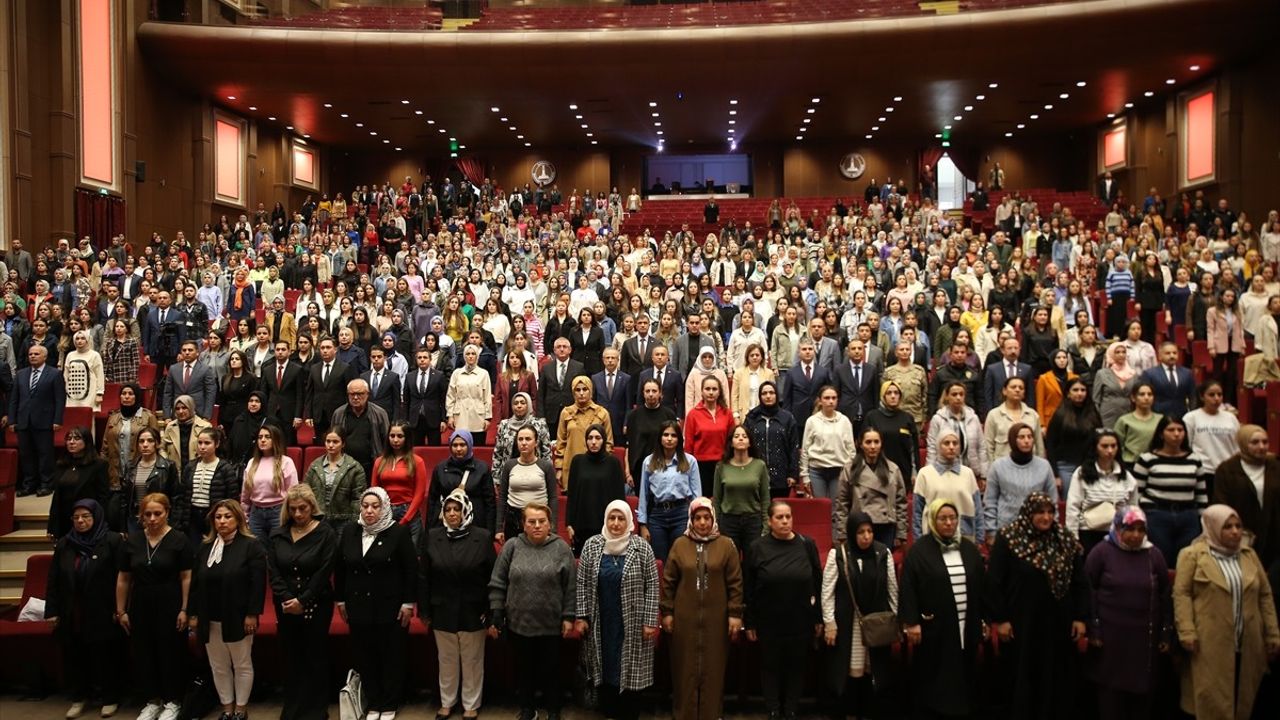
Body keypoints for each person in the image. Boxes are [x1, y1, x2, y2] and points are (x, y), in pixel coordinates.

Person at [985, 493, 1088, 719]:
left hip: (1058, 626)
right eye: (1040, 512)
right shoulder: (1009, 537)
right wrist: (1001, 619)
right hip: (1022, 626)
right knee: (1022, 679)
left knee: (1056, 679)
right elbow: (994, 582)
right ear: (1028, 513)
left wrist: (1080, 617)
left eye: (1051, 512)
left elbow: (1080, 582)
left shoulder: (1064, 539)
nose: (1046, 517)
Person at [1173, 504, 1280, 720]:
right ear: (1212, 527)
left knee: (1244, 702)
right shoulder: (1192, 555)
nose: (1235, 532)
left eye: (1238, 526)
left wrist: (1273, 634)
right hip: (1208, 643)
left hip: (1248, 643)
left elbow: (1265, 596)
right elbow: (1181, 595)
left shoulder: (1249, 556)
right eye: (1227, 527)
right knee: (1211, 702)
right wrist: (1187, 631)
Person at [899, 499, 987, 720]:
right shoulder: (919, 551)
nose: (949, 523)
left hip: (965, 623)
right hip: (933, 628)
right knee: (936, 674)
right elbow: (908, 588)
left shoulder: (969, 549)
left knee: (964, 669)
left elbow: (981, 587)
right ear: (932, 520)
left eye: (952, 518)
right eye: (943, 518)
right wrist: (911, 622)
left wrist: (983, 619)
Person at [487, 502, 577, 720]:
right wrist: (497, 611)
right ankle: (528, 709)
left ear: (550, 524)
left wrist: (568, 617)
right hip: (519, 623)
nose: (537, 526)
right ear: (523, 525)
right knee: (524, 670)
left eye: (541, 521)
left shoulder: (561, 548)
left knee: (551, 671)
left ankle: (553, 710)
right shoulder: (512, 546)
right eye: (531, 522)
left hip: (551, 624)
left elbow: (571, 587)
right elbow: (498, 581)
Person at [335, 487, 418, 719]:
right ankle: (374, 701)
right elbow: (340, 567)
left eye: (375, 506)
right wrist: (340, 599)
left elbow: (411, 570)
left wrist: (408, 603)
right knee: (365, 655)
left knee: (390, 656)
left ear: (384, 507)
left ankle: (390, 702)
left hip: (390, 607)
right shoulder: (350, 530)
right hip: (357, 605)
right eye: (365, 506)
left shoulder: (398, 532)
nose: (369, 511)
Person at [573, 500, 660, 720]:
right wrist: (582, 616)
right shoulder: (592, 545)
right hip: (601, 619)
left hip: (633, 621)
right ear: (605, 520)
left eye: (621, 518)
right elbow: (581, 583)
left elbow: (652, 585)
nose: (616, 523)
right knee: (605, 664)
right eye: (612, 518)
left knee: (631, 668)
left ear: (629, 521)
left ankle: (629, 712)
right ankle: (609, 710)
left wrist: (650, 621)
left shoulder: (642, 547)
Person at [1084, 507, 1172, 720]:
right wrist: (1093, 628)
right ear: (1117, 527)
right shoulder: (1101, 552)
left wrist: (1165, 632)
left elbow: (1165, 595)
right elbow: (1088, 590)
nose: (1136, 535)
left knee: (1140, 705)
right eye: (1130, 529)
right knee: (1111, 702)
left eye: (1141, 530)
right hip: (1110, 642)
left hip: (1143, 644)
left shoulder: (1154, 555)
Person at [661, 498, 744, 720]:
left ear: (713, 518)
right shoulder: (680, 544)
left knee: (714, 669)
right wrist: (667, 612)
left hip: (717, 618)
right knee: (684, 668)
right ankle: (683, 714)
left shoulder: (726, 545)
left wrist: (735, 614)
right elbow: (668, 581)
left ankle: (711, 714)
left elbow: (735, 583)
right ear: (691, 520)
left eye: (707, 517)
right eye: (698, 518)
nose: (703, 522)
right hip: (684, 618)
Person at [114, 493, 194, 720]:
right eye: (147, 514)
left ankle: (172, 700)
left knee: (170, 651)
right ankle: (152, 700)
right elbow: (123, 578)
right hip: (140, 601)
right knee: (144, 652)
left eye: (157, 513)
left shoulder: (179, 539)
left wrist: (185, 608)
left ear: (167, 513)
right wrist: (121, 610)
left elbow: (187, 576)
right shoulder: (133, 541)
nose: (152, 518)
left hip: (170, 600)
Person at [44, 500, 126, 720]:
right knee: (75, 656)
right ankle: (79, 698)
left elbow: (122, 577)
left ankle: (109, 698)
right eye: (76, 517)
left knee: (105, 656)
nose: (80, 521)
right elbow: (54, 580)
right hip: (73, 610)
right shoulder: (65, 544)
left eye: (86, 517)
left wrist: (120, 609)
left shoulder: (112, 541)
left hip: (103, 609)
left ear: (97, 517)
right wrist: (52, 610)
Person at [418, 488, 495, 720]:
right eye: (448, 509)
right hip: (442, 608)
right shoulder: (432, 535)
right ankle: (447, 702)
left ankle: (471, 704)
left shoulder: (481, 536)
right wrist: (424, 610)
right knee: (447, 659)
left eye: (457, 509)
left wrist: (491, 612)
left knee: (472, 660)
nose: (452, 513)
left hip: (474, 609)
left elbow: (492, 576)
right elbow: (424, 576)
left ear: (466, 511)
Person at [188, 500, 267, 720]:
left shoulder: (251, 546)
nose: (222, 521)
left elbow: (257, 584)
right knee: (218, 666)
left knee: (241, 664)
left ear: (238, 519)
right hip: (209, 617)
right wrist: (193, 613)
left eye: (227, 516)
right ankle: (227, 708)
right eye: (218, 517)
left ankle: (241, 710)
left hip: (239, 616)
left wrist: (253, 613)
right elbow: (195, 584)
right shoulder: (206, 547)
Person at [743, 500, 822, 720]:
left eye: (788, 516)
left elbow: (817, 582)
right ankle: (773, 710)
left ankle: (791, 709)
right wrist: (749, 621)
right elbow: (748, 588)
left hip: (800, 619)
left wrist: (818, 618)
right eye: (779, 517)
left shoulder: (807, 545)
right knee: (770, 667)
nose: (785, 521)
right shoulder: (756, 548)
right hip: (769, 620)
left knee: (796, 666)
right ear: (769, 521)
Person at [266, 485, 339, 720]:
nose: (298, 514)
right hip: (286, 604)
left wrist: (303, 600)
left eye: (303, 509)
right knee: (292, 656)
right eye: (293, 509)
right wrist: (288, 598)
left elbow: (324, 571)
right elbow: (273, 570)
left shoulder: (325, 533)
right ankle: (293, 707)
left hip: (316, 602)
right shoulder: (278, 534)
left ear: (312, 507)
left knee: (314, 655)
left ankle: (316, 710)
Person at [821, 511, 898, 720]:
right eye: (861, 532)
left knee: (872, 672)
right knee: (849, 672)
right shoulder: (838, 554)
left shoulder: (883, 554)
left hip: (876, 625)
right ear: (852, 533)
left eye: (870, 531)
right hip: (848, 624)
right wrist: (829, 623)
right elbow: (827, 592)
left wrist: (896, 621)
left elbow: (893, 590)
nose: (866, 536)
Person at [1132, 415, 1211, 564]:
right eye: (1171, 430)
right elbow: (1136, 494)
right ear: (1161, 434)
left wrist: (1203, 522)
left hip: (1188, 516)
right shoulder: (1147, 459)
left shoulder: (1194, 459)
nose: (1176, 434)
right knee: (1160, 559)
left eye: (1180, 430)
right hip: (1157, 515)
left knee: (1187, 560)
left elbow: (1201, 495)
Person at [1213, 424, 1280, 568]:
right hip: (1240, 534)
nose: (1261, 447)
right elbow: (1220, 504)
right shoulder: (1227, 469)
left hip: (1273, 534)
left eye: (1265, 442)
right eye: (1255, 442)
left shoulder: (1275, 466)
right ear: (1243, 443)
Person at [1064, 429, 1139, 551]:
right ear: (1095, 448)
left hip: (1116, 534)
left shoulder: (1127, 477)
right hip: (1088, 532)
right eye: (1104, 446)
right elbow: (1073, 507)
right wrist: (1073, 538)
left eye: (1113, 446)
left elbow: (1132, 509)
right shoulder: (1081, 473)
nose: (1110, 450)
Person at [637, 420, 702, 561]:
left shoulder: (690, 461)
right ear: (660, 438)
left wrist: (696, 520)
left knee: (682, 560)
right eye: (665, 435)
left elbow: (697, 497)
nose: (669, 439)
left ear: (679, 439)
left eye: (673, 435)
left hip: (681, 515)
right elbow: (644, 496)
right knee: (660, 561)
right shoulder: (649, 462)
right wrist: (642, 525)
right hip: (657, 517)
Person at [833, 427, 908, 547]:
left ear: (881, 444)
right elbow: (842, 504)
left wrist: (901, 534)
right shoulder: (849, 470)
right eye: (868, 442)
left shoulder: (893, 469)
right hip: (859, 527)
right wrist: (842, 534)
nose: (873, 446)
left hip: (886, 527)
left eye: (876, 442)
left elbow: (901, 504)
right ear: (860, 444)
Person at [984, 423, 1057, 540]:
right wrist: (991, 532)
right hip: (1006, 529)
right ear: (1013, 440)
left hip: (1038, 531)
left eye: (1030, 437)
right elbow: (990, 501)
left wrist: (1053, 528)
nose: (1027, 441)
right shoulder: (998, 466)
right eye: (1021, 437)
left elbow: (1053, 501)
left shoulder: (1044, 466)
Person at [101, 383, 160, 524]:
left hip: (140, 474)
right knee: (114, 515)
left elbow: (157, 445)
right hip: (116, 474)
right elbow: (105, 446)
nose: (126, 397)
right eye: (123, 393)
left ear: (137, 396)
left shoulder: (148, 417)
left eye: (130, 393)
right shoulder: (113, 417)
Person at [914, 427, 985, 543]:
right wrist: (919, 541)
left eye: (955, 443)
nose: (951, 447)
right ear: (938, 446)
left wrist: (980, 538)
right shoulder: (925, 474)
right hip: (932, 539)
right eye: (946, 443)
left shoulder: (968, 473)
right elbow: (917, 512)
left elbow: (978, 509)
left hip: (964, 537)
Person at [11, 344, 65, 496]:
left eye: (36, 354)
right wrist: (12, 420)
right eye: (30, 354)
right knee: (26, 455)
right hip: (23, 421)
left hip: (45, 421)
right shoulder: (20, 374)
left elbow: (60, 399)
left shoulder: (54, 374)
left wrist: (58, 420)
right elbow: (14, 399)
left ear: (45, 356)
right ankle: (29, 485)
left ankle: (46, 484)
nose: (32, 356)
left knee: (45, 454)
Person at [565, 424, 625, 554]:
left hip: (607, 526)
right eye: (590, 438)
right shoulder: (577, 461)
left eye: (598, 438)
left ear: (604, 440)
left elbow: (620, 497)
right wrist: (569, 523)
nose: (593, 442)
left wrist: (619, 522)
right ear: (586, 440)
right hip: (581, 526)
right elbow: (572, 495)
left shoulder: (613, 463)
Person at [496, 425, 559, 545]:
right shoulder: (509, 465)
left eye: (528, 439)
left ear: (536, 442)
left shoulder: (546, 466)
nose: (523, 443)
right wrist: (499, 528)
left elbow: (553, 498)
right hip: (513, 520)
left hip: (538, 521)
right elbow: (502, 497)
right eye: (520, 439)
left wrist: (553, 526)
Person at [712, 424, 770, 553]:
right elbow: (717, 499)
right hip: (728, 521)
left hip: (753, 521)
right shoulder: (721, 466)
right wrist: (715, 523)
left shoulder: (759, 465)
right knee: (730, 563)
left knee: (752, 563)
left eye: (745, 436)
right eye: (736, 436)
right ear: (731, 443)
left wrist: (766, 526)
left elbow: (765, 499)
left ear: (750, 442)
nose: (741, 439)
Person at [427, 429, 496, 533]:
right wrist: (429, 530)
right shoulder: (440, 468)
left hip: (475, 523)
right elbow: (432, 500)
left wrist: (489, 532)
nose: (458, 449)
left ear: (469, 445)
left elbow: (490, 503)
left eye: (462, 445)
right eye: (455, 445)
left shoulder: (482, 468)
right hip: (447, 523)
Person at [46, 426, 109, 539]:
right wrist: (52, 526)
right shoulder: (62, 465)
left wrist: (99, 522)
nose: (71, 442)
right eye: (69, 439)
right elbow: (57, 498)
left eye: (76, 438)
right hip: (65, 520)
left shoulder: (99, 465)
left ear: (87, 441)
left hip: (86, 520)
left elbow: (103, 497)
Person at [302, 427, 367, 536]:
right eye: (328, 441)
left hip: (343, 520)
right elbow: (305, 492)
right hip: (318, 518)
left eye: (335, 442)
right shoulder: (315, 466)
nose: (331, 445)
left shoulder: (354, 467)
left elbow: (358, 499)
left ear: (343, 444)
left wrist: (353, 523)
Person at [742, 381, 801, 499]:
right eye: (764, 393)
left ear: (777, 395)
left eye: (771, 393)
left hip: (781, 477)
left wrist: (793, 474)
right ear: (760, 396)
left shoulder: (787, 418)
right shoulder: (752, 418)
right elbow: (745, 447)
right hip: (755, 475)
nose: (768, 396)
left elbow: (794, 447)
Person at [240, 423, 299, 540]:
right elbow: (245, 494)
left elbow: (293, 492)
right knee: (258, 551)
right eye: (260, 437)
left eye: (267, 437)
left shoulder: (286, 462)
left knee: (277, 549)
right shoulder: (252, 462)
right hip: (256, 513)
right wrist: (245, 516)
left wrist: (290, 515)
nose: (262, 440)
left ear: (275, 439)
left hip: (278, 512)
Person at [181, 427, 240, 543]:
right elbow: (182, 495)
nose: (202, 447)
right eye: (200, 443)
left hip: (215, 516)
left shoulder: (225, 468)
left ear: (216, 444)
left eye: (207, 443)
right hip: (192, 516)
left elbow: (232, 499)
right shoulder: (190, 467)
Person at [1046, 379, 1102, 496]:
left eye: (1083, 390)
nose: (1079, 393)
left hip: (1089, 465)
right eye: (1075, 390)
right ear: (1068, 393)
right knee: (1069, 502)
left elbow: (1099, 440)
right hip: (1065, 467)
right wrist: (1055, 475)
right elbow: (1050, 444)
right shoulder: (1060, 414)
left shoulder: (1093, 413)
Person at [124, 426, 184, 535]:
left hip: (158, 519)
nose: (145, 445)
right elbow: (124, 498)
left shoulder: (168, 466)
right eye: (141, 441)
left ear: (157, 443)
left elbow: (176, 497)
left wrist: (174, 523)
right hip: (135, 519)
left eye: (150, 441)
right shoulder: (130, 466)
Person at [556, 375, 613, 488]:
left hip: (597, 467)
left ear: (590, 391)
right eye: (578, 390)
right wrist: (559, 468)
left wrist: (605, 466)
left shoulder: (602, 413)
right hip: (571, 465)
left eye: (585, 389)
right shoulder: (566, 413)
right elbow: (561, 443)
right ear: (573, 392)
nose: (581, 393)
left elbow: (608, 444)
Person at [800, 385, 857, 499]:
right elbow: (805, 450)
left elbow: (851, 450)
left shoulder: (844, 421)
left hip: (839, 470)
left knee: (836, 509)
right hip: (817, 471)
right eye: (826, 398)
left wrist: (849, 471)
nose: (830, 401)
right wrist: (804, 475)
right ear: (820, 400)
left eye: (834, 398)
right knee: (820, 508)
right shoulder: (812, 421)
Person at [862, 380, 920, 482]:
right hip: (877, 471)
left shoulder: (907, 418)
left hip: (903, 472)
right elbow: (864, 446)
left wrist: (915, 471)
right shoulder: (872, 416)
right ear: (883, 396)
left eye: (896, 393)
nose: (893, 396)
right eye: (889, 393)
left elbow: (913, 449)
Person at [490, 391, 553, 479]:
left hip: (535, 474)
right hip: (509, 474)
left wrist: (547, 475)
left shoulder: (539, 424)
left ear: (529, 405)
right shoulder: (504, 425)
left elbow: (546, 452)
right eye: (515, 403)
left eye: (523, 403)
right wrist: (496, 478)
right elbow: (498, 453)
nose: (519, 406)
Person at [1183, 380, 1239, 475]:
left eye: (1219, 394)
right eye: (1211, 395)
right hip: (1203, 470)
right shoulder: (1191, 418)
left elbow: (1237, 445)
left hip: (1228, 471)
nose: (1216, 398)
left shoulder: (1231, 418)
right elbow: (1186, 446)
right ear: (1202, 397)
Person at [446, 344, 493, 435]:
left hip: (478, 417)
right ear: (464, 356)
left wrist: (487, 418)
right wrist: (450, 415)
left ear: (477, 356)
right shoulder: (456, 373)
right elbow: (450, 396)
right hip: (460, 417)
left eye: (473, 354)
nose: (470, 356)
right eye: (468, 354)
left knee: (478, 448)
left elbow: (487, 398)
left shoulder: (484, 373)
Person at [1115, 382, 1163, 465]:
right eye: (1142, 394)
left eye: (1150, 394)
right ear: (1133, 398)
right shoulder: (1124, 420)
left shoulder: (1161, 419)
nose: (1146, 397)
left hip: (1155, 462)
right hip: (1130, 462)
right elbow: (1117, 444)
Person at [1094, 342, 1137, 430]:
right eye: (1117, 352)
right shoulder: (1102, 374)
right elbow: (1096, 399)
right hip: (1107, 414)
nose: (1121, 355)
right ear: (1111, 354)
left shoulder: (1133, 374)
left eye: (1123, 352)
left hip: (1128, 413)